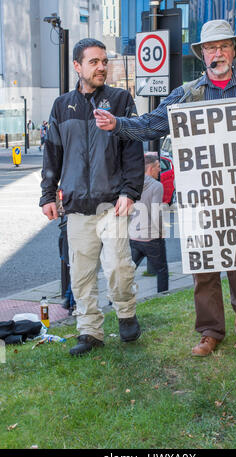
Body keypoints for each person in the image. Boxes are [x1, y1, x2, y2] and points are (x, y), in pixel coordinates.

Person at [94, 20, 236, 357]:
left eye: (223, 46)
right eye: (210, 47)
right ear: (202, 54)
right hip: (202, 196)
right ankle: (210, 330)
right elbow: (150, 125)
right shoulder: (186, 95)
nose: (216, 53)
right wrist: (118, 124)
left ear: (233, 51)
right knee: (204, 265)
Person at [40, 38, 145, 356]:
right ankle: (90, 330)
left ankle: (126, 314)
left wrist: (131, 191)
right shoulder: (61, 105)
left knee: (118, 267)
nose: (102, 67)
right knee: (82, 274)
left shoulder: (121, 99)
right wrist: (47, 194)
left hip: (111, 203)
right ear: (77, 66)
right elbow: (52, 153)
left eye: (104, 61)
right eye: (94, 62)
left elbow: (133, 148)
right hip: (75, 207)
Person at [129, 153, 169, 293]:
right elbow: (155, 212)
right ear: (150, 168)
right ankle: (163, 297)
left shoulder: (133, 184)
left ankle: (115, 301)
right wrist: (161, 233)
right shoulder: (156, 186)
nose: (160, 170)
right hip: (151, 238)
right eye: (158, 167)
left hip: (134, 236)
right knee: (162, 270)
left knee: (127, 272)